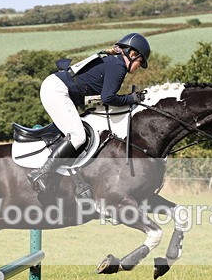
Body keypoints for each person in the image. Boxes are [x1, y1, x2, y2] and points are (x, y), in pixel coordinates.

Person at [27, 32, 151, 194]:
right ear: (132, 54)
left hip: (59, 89)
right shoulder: (118, 66)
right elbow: (108, 98)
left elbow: (98, 98)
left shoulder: (112, 61)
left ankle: (74, 178)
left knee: (84, 132)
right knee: (78, 136)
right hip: (57, 90)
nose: (138, 68)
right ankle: (41, 173)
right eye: (139, 62)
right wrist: (131, 98)